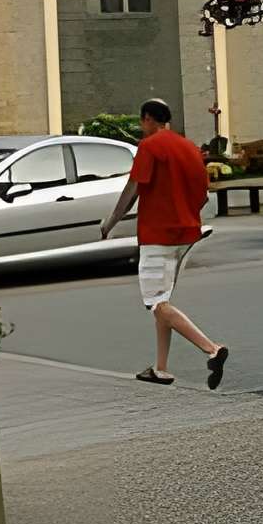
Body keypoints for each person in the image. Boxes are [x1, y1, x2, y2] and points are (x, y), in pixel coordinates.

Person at [104, 98, 230, 389]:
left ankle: (212, 349)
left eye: (142, 121)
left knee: (156, 303)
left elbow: (133, 187)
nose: (141, 127)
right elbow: (203, 196)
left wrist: (109, 223)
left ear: (148, 119)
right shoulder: (189, 147)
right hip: (186, 235)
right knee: (162, 300)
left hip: (157, 236)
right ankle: (161, 369)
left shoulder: (150, 147)